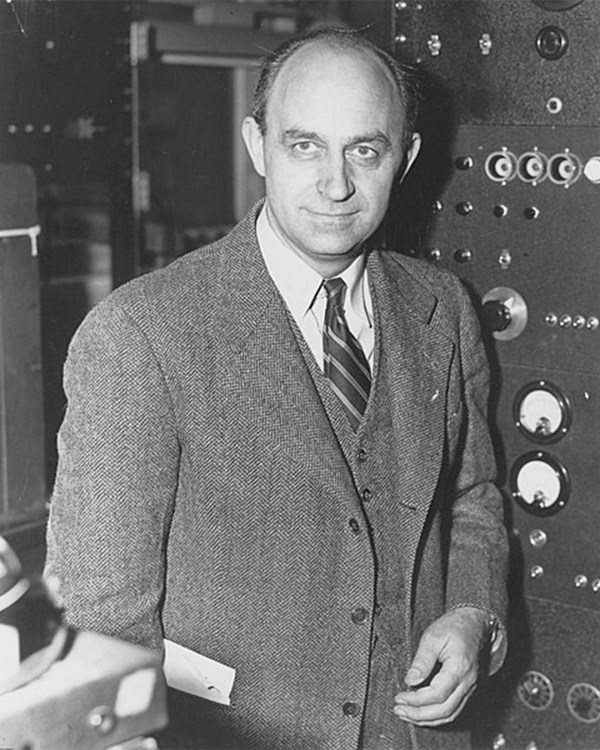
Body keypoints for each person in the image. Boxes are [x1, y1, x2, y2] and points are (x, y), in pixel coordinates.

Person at [45, 27, 508, 750]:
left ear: (407, 158)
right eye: (305, 146)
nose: (336, 183)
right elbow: (102, 621)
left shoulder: (443, 308)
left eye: (365, 149)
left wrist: (474, 613)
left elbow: (474, 497)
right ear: (258, 145)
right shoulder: (141, 334)